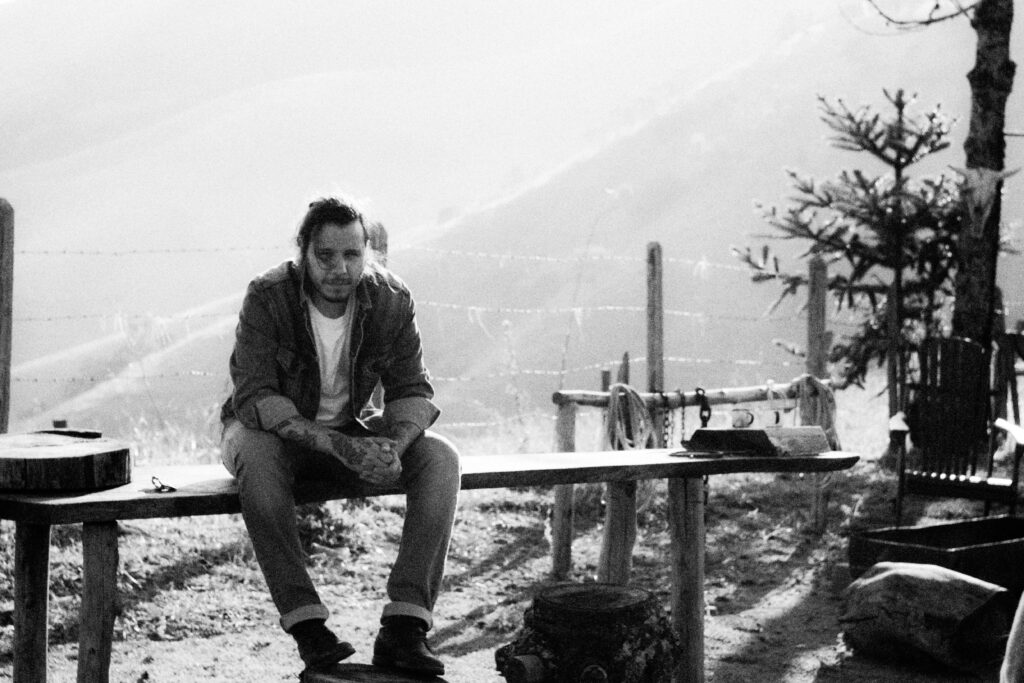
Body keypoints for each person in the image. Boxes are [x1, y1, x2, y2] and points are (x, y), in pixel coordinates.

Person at [219, 196, 460, 676]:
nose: (340, 269)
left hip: (351, 431)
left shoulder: (391, 299)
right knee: (259, 457)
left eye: (352, 255)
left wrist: (391, 447)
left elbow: (412, 390)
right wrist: (340, 447)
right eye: (325, 255)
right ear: (303, 252)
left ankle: (405, 627)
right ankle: (308, 627)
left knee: (441, 458)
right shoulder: (268, 297)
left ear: (367, 252)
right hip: (268, 436)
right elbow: (256, 397)